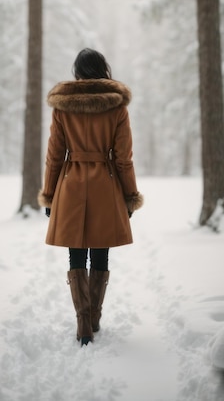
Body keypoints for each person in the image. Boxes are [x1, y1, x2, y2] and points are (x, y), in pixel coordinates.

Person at [38, 48, 143, 346]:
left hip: (70, 184)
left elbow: (54, 156)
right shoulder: (117, 107)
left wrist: (49, 193)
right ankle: (94, 316)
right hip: (106, 185)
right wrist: (130, 194)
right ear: (103, 69)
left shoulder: (63, 107)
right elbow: (124, 159)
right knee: (100, 250)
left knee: (75, 253)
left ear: (77, 72)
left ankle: (83, 323)